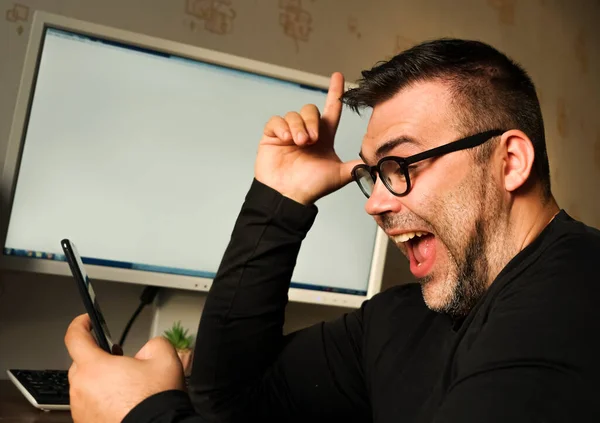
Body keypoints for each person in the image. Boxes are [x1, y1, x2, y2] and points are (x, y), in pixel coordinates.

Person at [64, 38, 600, 423]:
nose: (375, 204)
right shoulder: (401, 320)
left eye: (401, 166)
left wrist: (139, 416)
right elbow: (230, 400)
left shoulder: (577, 297)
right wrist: (280, 200)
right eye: (373, 175)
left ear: (510, 162)